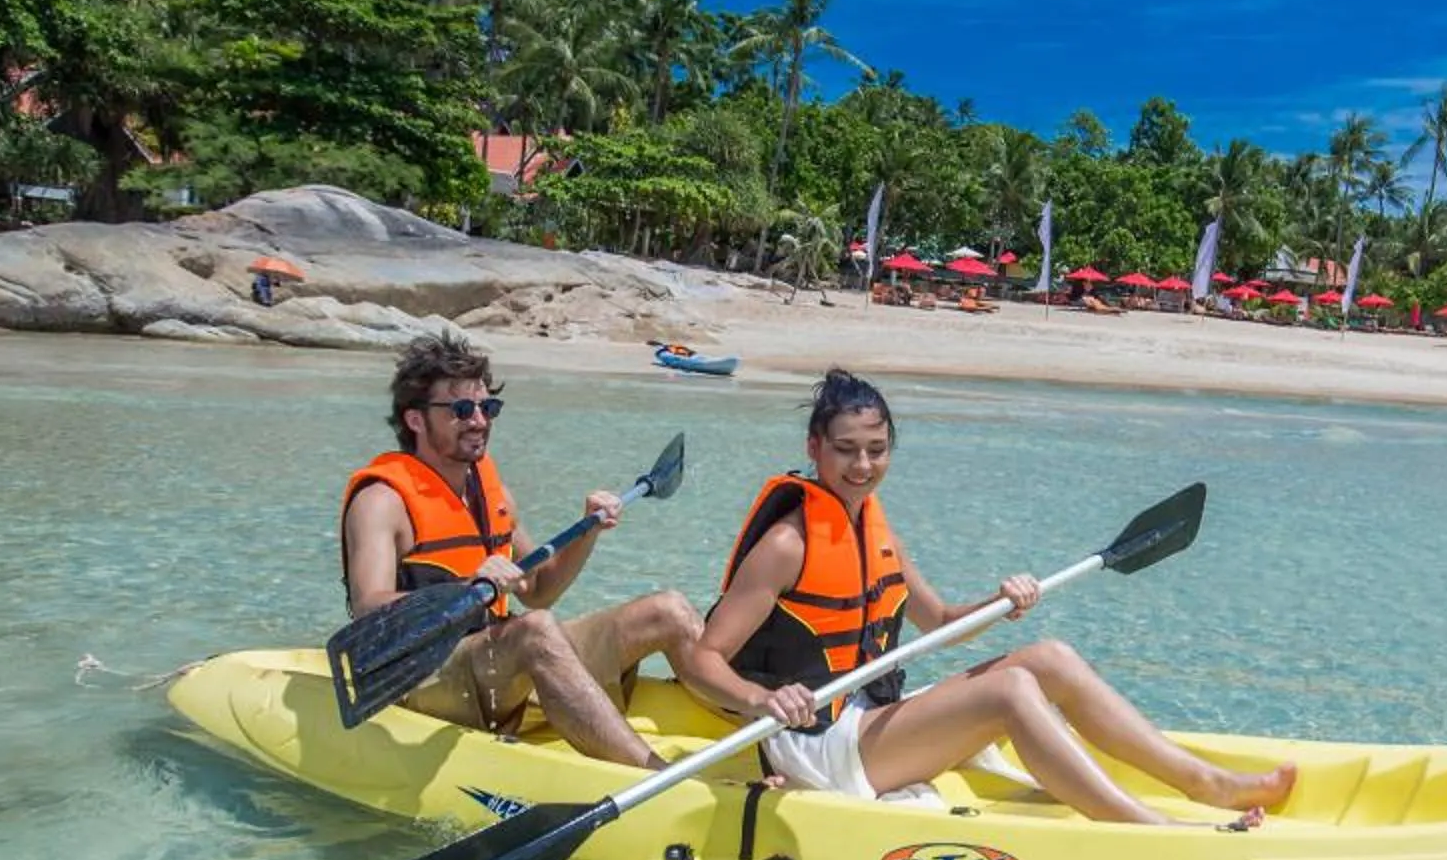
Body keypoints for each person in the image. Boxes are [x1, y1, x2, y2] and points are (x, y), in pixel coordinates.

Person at [677, 369, 1295, 827]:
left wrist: (1002, 600)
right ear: (815, 448)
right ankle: (1148, 830)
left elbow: (940, 620)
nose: (862, 465)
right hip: (815, 741)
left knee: (1047, 657)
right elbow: (707, 659)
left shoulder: (871, 526)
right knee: (1008, 691)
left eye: (877, 448)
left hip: (867, 721)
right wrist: (762, 697)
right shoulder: (788, 543)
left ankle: (1204, 782)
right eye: (845, 450)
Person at [340, 334, 697, 767]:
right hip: (425, 674)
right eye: (461, 410)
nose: (479, 421)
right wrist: (469, 588)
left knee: (666, 610)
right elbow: (368, 609)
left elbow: (539, 589)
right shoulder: (382, 501)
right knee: (536, 630)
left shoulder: (490, 492)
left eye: (487, 409)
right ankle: (654, 774)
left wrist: (588, 532)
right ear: (415, 420)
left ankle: (763, 729)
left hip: (495, 662)